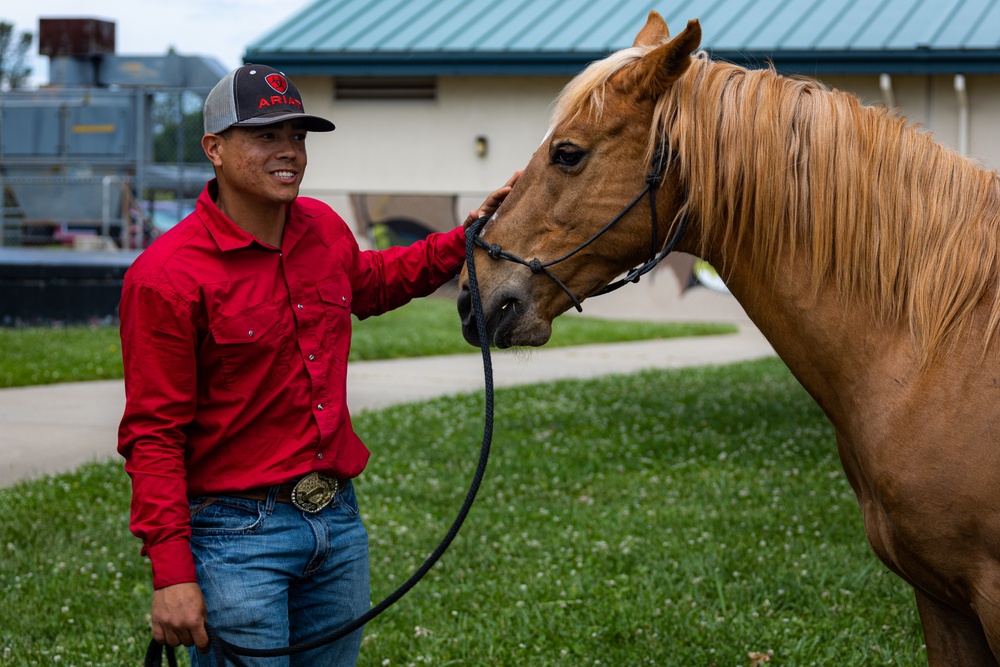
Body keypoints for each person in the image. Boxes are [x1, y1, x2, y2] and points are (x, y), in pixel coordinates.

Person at [117, 63, 517, 666]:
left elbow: (374, 282)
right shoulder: (166, 278)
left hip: (338, 524)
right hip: (234, 539)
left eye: (298, 136)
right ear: (214, 149)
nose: (290, 153)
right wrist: (172, 574)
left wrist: (464, 237)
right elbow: (154, 435)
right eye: (266, 135)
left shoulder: (323, 231)